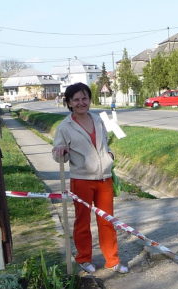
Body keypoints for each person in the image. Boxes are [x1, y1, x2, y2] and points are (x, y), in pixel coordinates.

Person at [52, 82, 128, 274]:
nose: (81, 103)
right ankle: (84, 259)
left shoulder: (98, 120)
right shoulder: (65, 126)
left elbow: (105, 146)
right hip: (82, 180)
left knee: (107, 221)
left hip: (104, 179)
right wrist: (60, 152)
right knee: (82, 221)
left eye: (84, 98)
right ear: (69, 102)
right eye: (76, 99)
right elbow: (57, 153)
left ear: (89, 99)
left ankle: (112, 260)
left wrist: (110, 157)